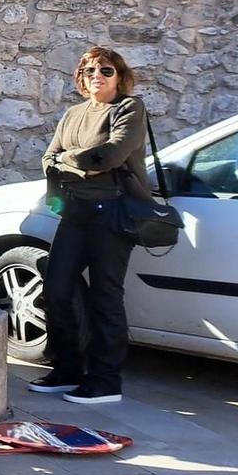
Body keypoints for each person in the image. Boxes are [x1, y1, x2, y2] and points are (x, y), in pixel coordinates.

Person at [31, 46, 151, 405]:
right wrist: (75, 163)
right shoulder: (74, 113)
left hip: (111, 212)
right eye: (89, 70)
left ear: (120, 75)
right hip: (77, 211)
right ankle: (67, 368)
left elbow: (111, 155)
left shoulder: (129, 109)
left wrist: (67, 160)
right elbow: (47, 159)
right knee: (56, 288)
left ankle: (105, 380)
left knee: (105, 295)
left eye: (106, 70)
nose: (96, 75)